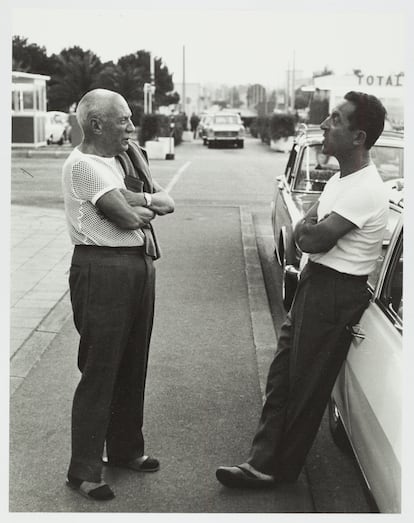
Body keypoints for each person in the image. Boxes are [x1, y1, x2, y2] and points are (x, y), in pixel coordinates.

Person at [216, 91, 389, 488]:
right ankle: (261, 461)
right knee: (282, 375)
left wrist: (307, 230)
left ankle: (276, 470)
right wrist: (306, 230)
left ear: (359, 137)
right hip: (316, 282)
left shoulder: (366, 188)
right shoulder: (340, 182)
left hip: (335, 290)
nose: (324, 126)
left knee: (305, 384)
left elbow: (311, 239)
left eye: (335, 120)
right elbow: (304, 234)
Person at [61, 88, 175, 500]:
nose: (131, 126)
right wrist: (145, 205)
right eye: (123, 119)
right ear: (96, 124)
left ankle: (126, 449)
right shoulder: (84, 166)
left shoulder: (125, 158)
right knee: (101, 369)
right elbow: (129, 218)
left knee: (133, 362)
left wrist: (140, 204)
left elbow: (167, 203)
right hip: (102, 268)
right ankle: (84, 470)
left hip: (137, 266)